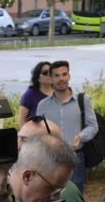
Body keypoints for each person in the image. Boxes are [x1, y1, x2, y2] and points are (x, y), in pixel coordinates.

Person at [34, 61, 97, 190]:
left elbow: (93, 126)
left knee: (74, 196)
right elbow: (38, 133)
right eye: (57, 75)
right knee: (51, 198)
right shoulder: (43, 105)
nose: (61, 78)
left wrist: (81, 137)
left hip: (75, 158)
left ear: (69, 76)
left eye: (64, 74)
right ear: (51, 79)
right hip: (51, 159)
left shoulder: (82, 99)